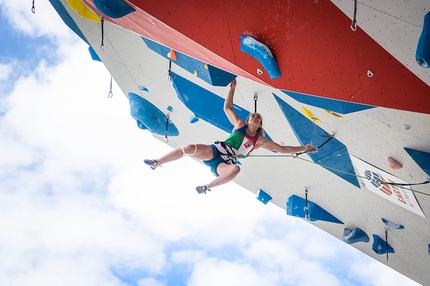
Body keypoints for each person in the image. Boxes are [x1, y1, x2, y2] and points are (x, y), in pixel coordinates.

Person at [144, 79, 317, 194]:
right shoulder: (240, 125)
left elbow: (283, 149)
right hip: (216, 150)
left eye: (258, 117)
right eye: (253, 116)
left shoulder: (260, 141)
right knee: (188, 148)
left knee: (236, 169)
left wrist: (304, 148)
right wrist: (232, 89)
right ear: (248, 120)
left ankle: (207, 187)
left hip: (224, 163)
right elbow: (227, 108)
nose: (255, 117)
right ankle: (156, 162)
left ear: (260, 124)